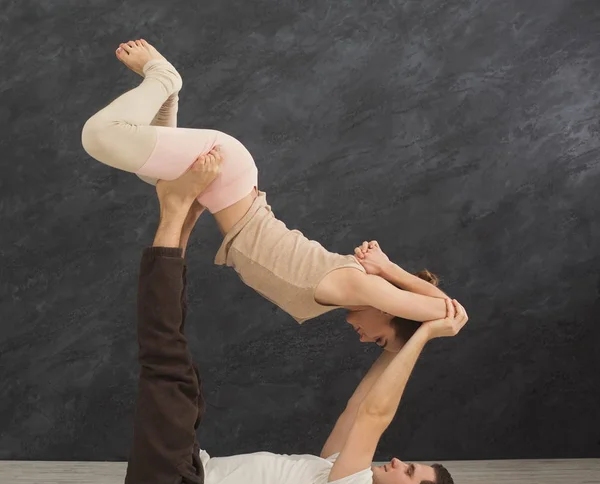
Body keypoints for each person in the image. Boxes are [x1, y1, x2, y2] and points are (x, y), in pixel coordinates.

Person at [124, 155, 468, 484]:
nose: (398, 460)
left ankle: (174, 209)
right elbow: (359, 408)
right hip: (187, 475)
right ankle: (182, 213)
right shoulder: (336, 477)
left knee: (168, 362)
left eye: (408, 472)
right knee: (181, 375)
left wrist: (423, 335)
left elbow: (376, 414)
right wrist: (405, 336)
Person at [82, 39, 461, 353]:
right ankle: (164, 77)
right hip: (228, 171)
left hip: (223, 187)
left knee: (153, 171)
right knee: (99, 135)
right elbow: (448, 310)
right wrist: (389, 270)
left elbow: (439, 309)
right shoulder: (358, 284)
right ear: (390, 310)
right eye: (380, 340)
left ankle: (167, 102)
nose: (365, 340)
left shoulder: (344, 292)